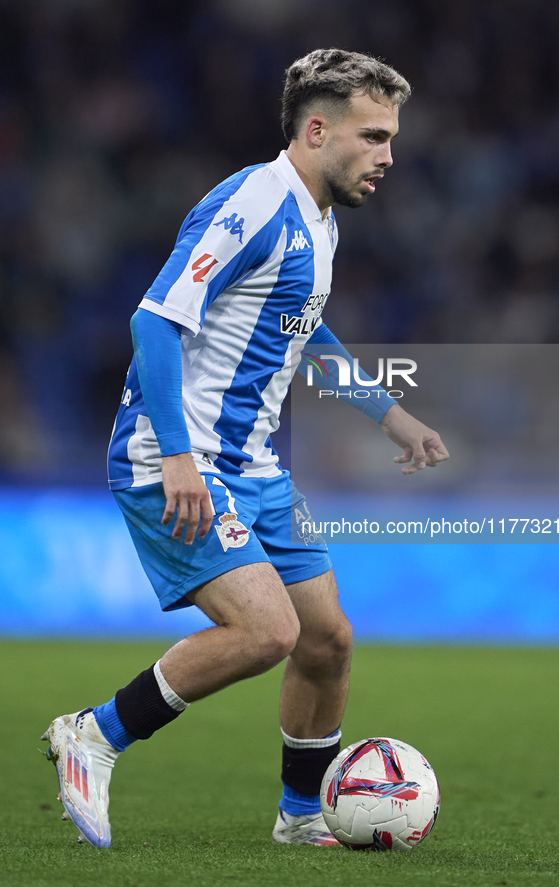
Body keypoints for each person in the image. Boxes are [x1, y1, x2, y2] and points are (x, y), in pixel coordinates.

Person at [42, 48, 449, 849]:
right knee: (268, 633)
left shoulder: (319, 217)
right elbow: (154, 321)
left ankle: (301, 815)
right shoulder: (253, 204)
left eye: (390, 138)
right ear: (317, 128)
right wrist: (182, 458)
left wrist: (386, 412)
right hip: (175, 457)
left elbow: (308, 327)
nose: (387, 156)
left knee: (327, 637)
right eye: (372, 137)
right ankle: (93, 732)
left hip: (255, 466)